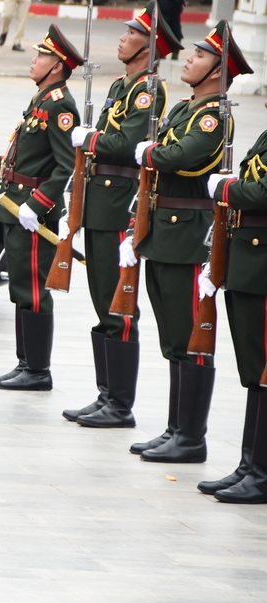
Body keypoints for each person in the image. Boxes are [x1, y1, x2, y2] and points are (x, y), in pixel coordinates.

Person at [127, 21, 253, 463]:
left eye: (200, 55)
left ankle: (191, 438)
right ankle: (175, 428)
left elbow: (180, 156)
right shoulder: (186, 109)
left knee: (191, 337)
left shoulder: (213, 116)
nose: (188, 58)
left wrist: (148, 153)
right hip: (164, 231)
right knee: (173, 336)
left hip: (188, 235)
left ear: (218, 71)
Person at [60, 2, 182, 430]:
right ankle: (106, 394)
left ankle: (121, 404)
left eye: (132, 33)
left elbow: (129, 143)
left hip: (118, 203)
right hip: (98, 201)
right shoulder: (120, 85)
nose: (122, 37)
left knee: (119, 305)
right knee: (101, 302)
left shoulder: (149, 89)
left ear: (148, 47)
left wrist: (90, 139)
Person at [0, 25, 83, 391]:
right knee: (21, 286)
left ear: (57, 66)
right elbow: (27, 161)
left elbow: (66, 166)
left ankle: (38, 370)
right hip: (16, 206)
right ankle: (25, 363)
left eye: (42, 55)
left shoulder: (60, 105)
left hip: (34, 214)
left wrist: (38, 204)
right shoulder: (41, 101)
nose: (34, 60)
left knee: (33, 289)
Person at [197, 104, 267, 503]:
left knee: (264, 369)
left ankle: (261, 473)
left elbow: (262, 192)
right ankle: (249, 465)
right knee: (254, 371)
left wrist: (225, 189)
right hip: (247, 261)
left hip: (262, 264)